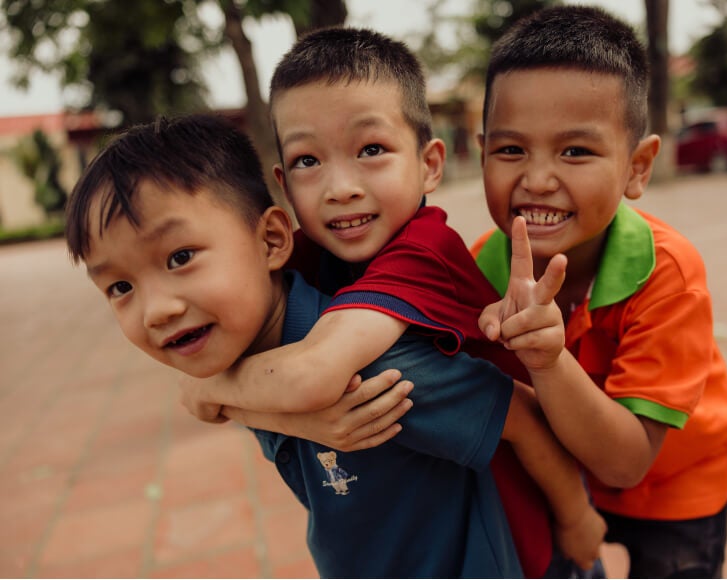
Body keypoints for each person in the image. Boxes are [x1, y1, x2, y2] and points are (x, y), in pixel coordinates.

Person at [63, 113, 605, 578]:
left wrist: (577, 520)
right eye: (120, 287)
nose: (156, 309)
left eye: (180, 258)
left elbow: (520, 416)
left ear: (273, 240)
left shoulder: (373, 367)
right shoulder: (235, 352)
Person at [177, 26, 605, 578]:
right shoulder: (310, 251)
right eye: (309, 161)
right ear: (282, 183)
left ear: (429, 164)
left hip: (519, 532)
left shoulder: (422, 250)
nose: (341, 187)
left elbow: (310, 376)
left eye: (372, 150)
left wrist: (575, 519)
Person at [471, 5, 727, 578]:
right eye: (510, 150)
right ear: (481, 153)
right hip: (565, 474)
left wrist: (546, 359)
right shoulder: (479, 267)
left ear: (637, 166)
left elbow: (628, 463)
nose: (538, 178)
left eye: (575, 151)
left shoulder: (667, 272)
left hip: (677, 481)